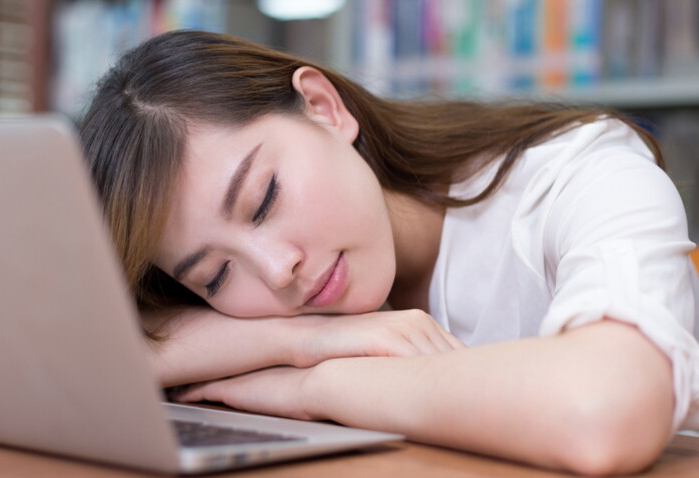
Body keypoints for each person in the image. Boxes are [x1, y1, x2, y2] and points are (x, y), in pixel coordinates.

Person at [79, 30, 699, 475]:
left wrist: (314, 386)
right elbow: (74, 349)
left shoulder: (580, 174)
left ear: (324, 109)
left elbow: (600, 415)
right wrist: (300, 342)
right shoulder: (290, 319)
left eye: (264, 199)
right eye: (215, 277)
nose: (276, 270)